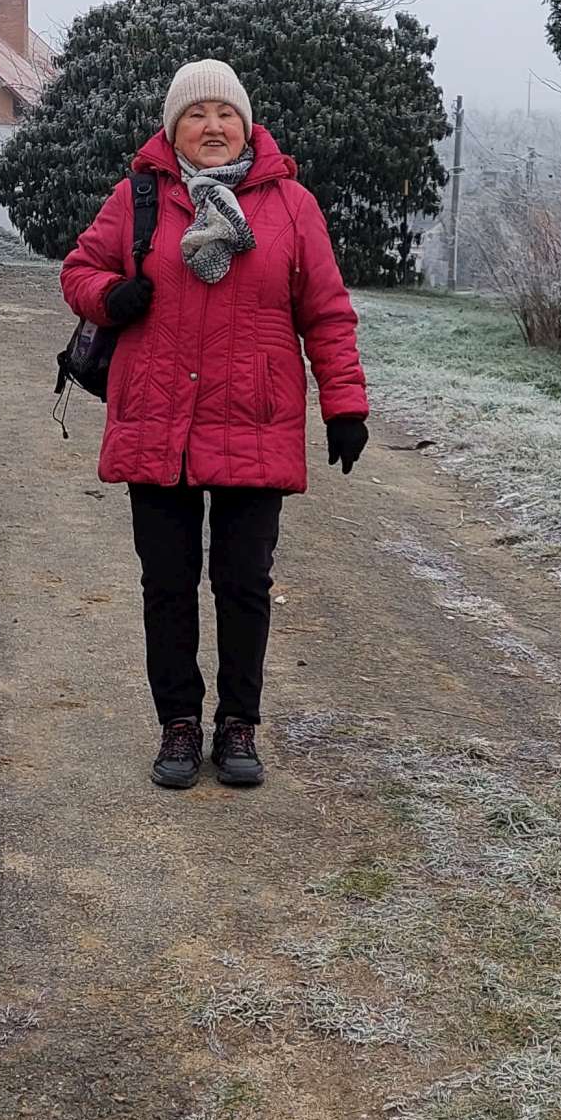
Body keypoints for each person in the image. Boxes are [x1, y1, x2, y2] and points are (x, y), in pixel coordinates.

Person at [60, 59, 370, 791]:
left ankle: (237, 724)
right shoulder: (137, 198)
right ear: (174, 129)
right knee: (167, 584)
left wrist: (346, 405)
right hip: (157, 418)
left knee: (243, 584)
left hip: (253, 418)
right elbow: (77, 271)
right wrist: (112, 295)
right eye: (196, 114)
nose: (212, 126)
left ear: (246, 125)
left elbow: (327, 312)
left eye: (225, 113)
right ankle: (177, 723)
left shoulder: (291, 206)